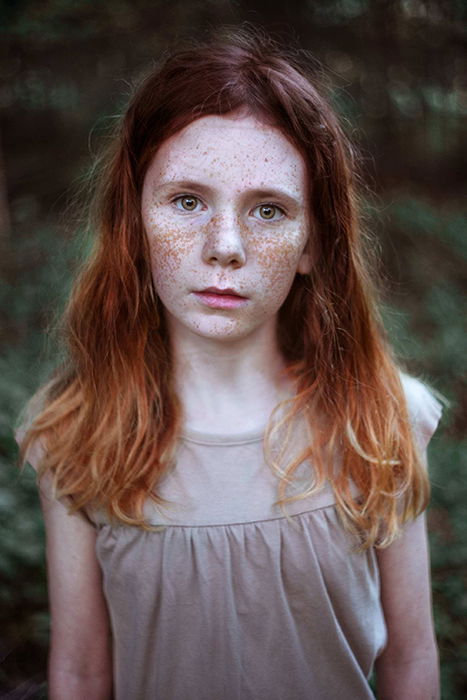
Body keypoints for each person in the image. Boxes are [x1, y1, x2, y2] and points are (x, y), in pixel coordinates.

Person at [17, 28, 442, 700]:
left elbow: (410, 663)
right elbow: (80, 673)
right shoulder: (74, 434)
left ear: (312, 242)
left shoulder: (383, 415)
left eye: (268, 210)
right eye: (186, 201)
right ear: (135, 221)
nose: (224, 246)